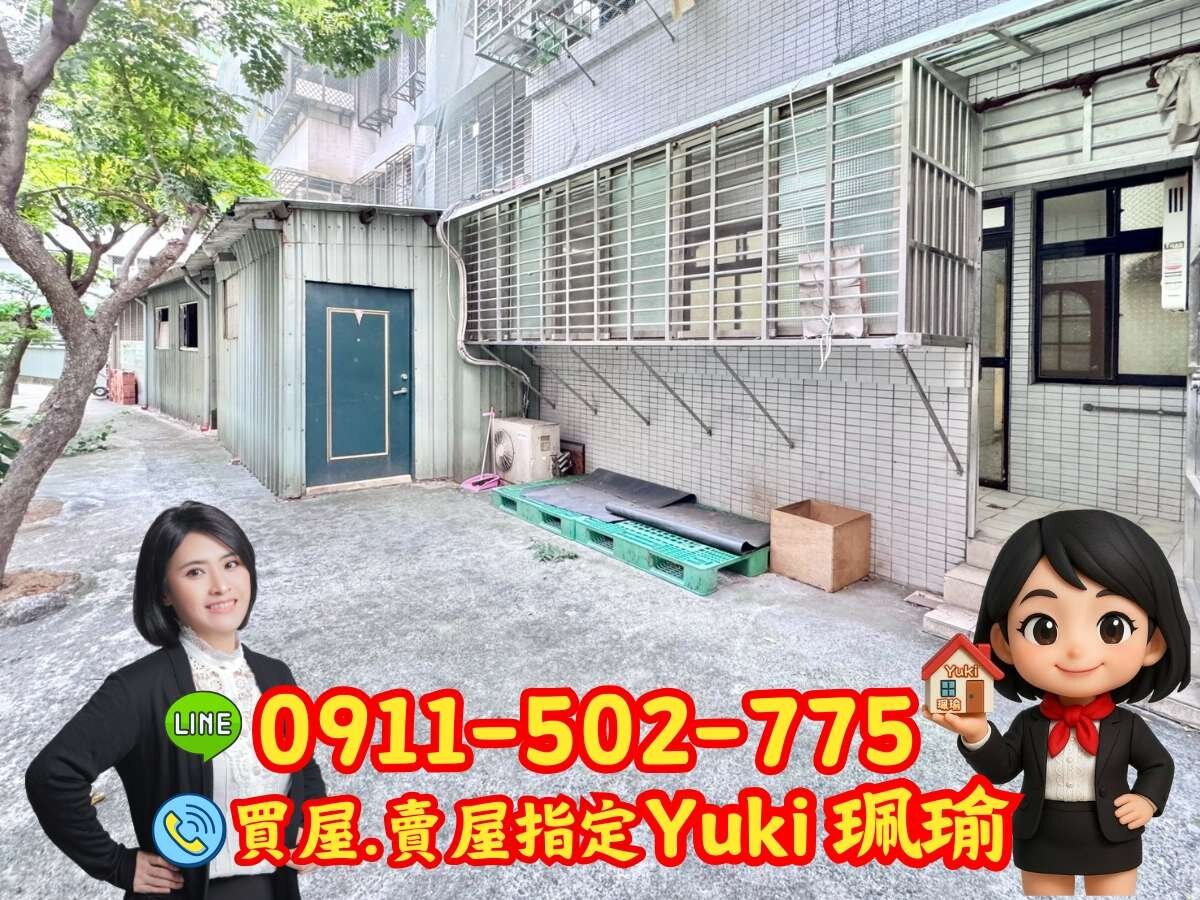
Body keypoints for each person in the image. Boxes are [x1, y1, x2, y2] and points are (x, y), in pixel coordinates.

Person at [26, 500, 326, 900]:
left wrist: (309, 823)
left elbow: (302, 763)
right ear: (165, 592)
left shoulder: (275, 675)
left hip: (273, 888)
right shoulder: (138, 689)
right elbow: (52, 776)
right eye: (195, 572)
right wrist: (117, 863)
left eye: (231, 564)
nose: (220, 586)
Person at [924, 509, 1190, 896]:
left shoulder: (1127, 727)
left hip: (1113, 839)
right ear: (1003, 643)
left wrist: (1147, 800)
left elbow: (1158, 764)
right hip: (1042, 837)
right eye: (1043, 629)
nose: (1077, 650)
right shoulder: (1030, 724)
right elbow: (1002, 768)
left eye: (1112, 627)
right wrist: (977, 734)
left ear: (1153, 643)